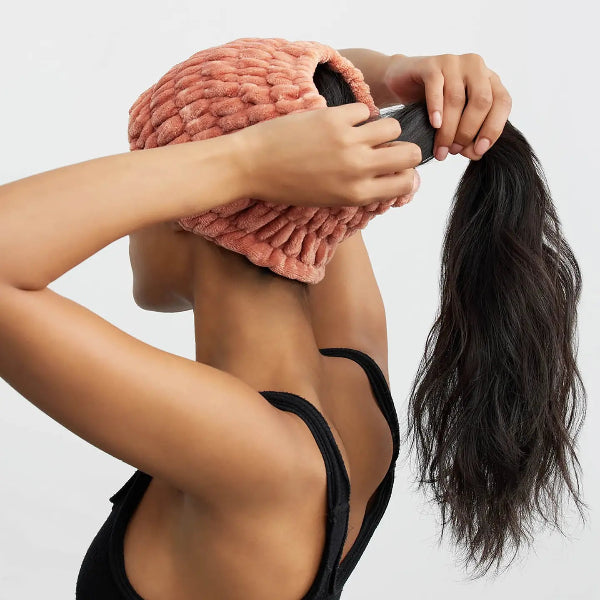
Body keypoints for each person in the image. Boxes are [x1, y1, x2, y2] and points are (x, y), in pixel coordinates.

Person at [0, 38, 586, 599]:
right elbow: (295, 94)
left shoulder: (251, 451)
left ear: (193, 205)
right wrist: (392, 72)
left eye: (157, 176)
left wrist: (239, 161)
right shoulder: (354, 386)